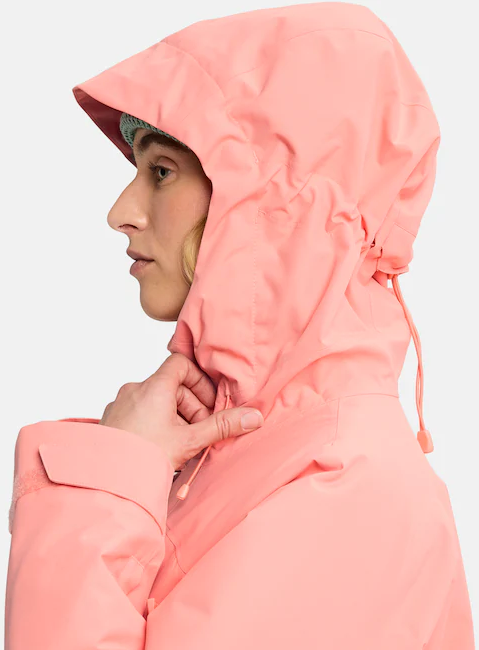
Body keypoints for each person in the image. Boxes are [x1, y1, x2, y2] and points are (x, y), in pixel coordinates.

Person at [4, 2, 475, 649]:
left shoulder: (350, 489)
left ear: (276, 206)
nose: (121, 211)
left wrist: (112, 480)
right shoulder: (253, 455)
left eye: (161, 172)